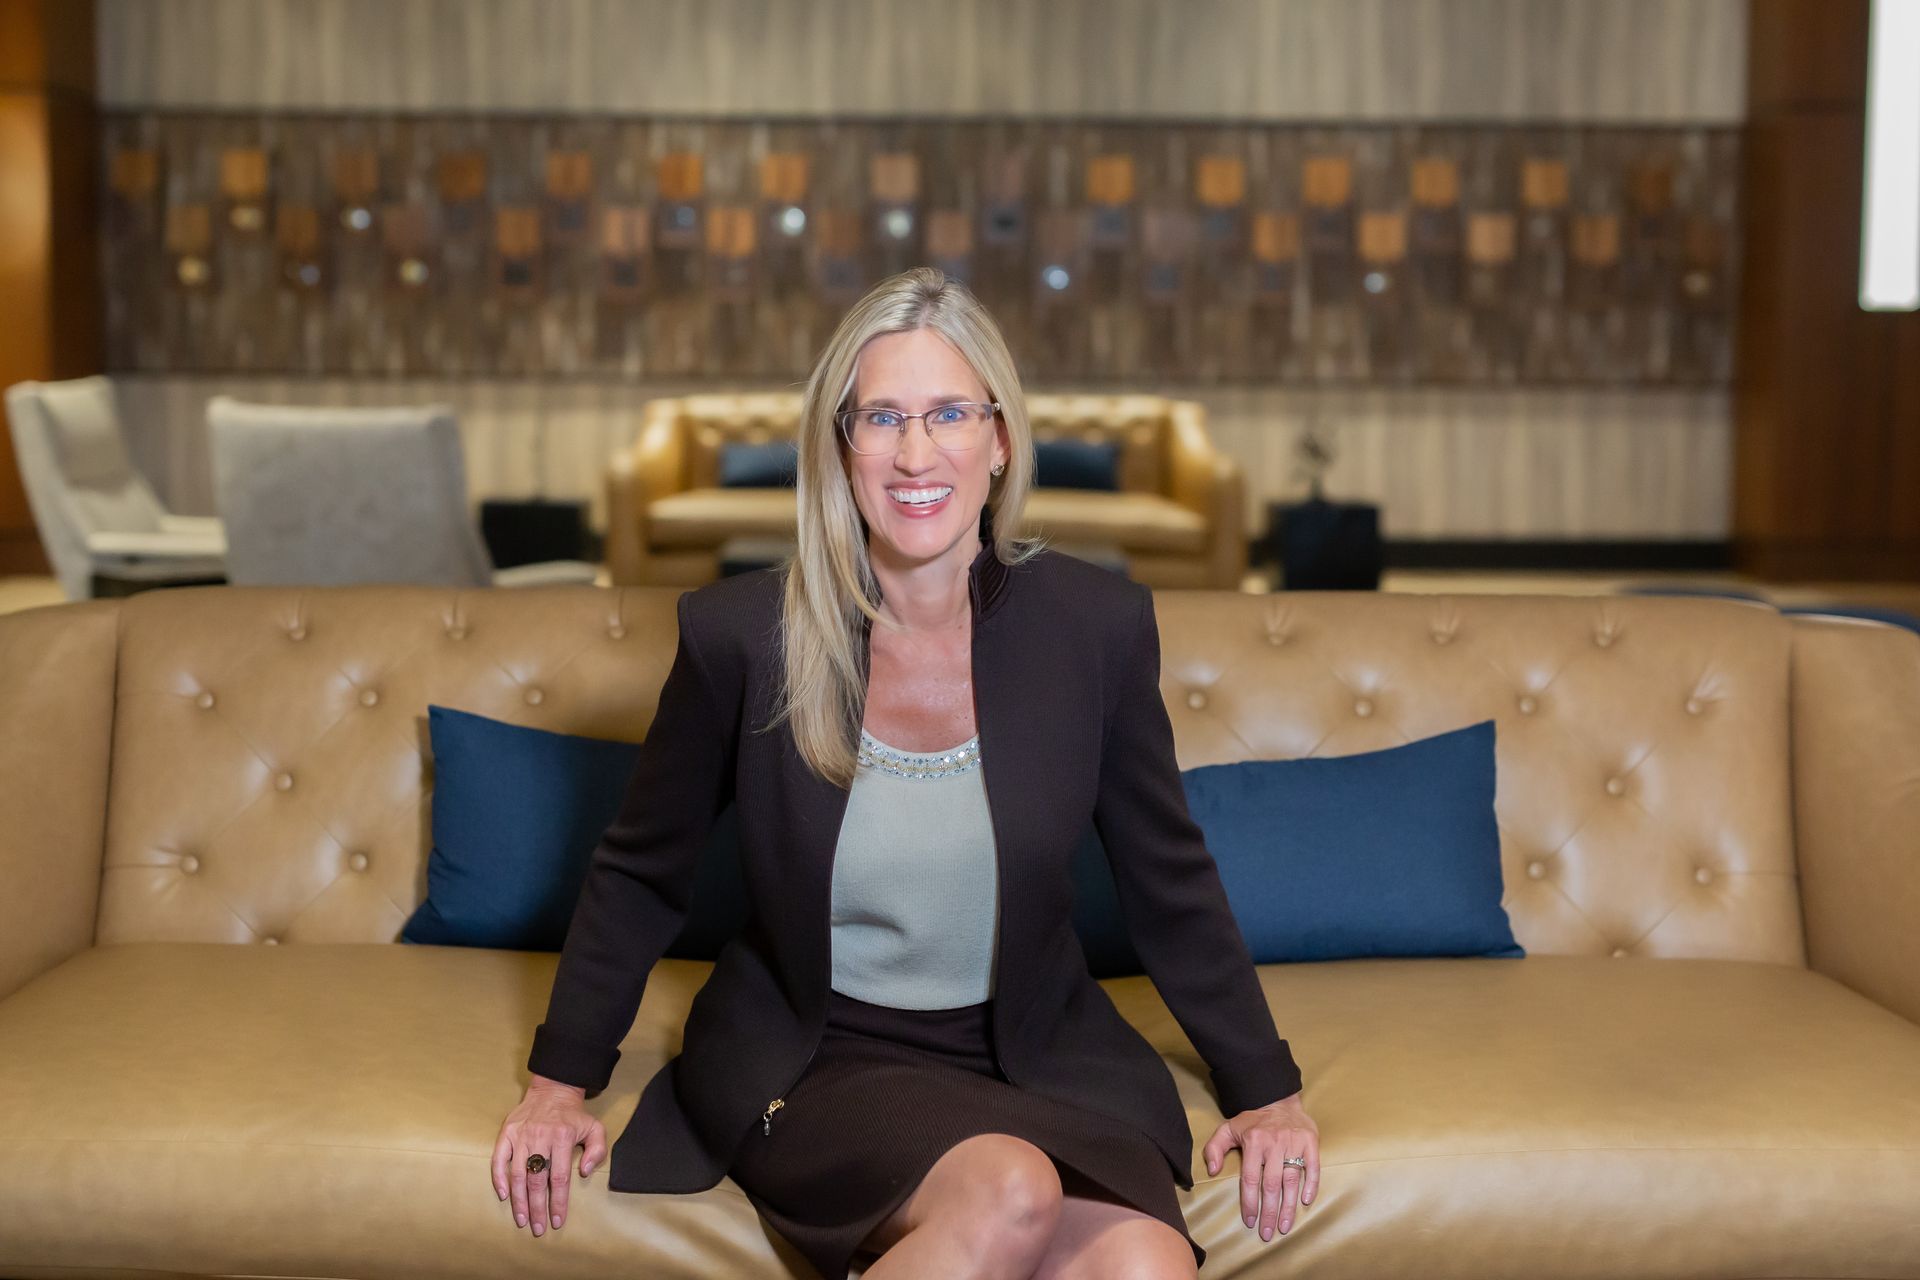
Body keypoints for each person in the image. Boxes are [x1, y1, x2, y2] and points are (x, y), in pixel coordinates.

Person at [490, 266, 1321, 1278]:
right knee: (1012, 1188)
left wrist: (1266, 1089)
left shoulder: (1094, 628)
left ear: (1001, 435)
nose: (915, 452)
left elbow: (1168, 876)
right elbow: (642, 870)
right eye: (881, 416)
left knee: (1148, 1263)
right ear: (840, 445)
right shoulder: (740, 635)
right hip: (819, 1055)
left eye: (948, 413)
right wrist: (558, 1082)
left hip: (1040, 1052)